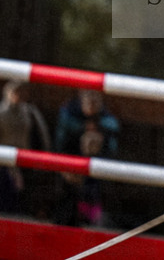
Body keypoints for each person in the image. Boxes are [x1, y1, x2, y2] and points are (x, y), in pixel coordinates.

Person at [0, 80, 51, 214]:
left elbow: (43, 135)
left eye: (22, 92)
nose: (19, 95)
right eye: (16, 92)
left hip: (23, 162)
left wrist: (43, 158)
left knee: (18, 203)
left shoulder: (30, 112)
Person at [53, 90, 120, 226]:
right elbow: (61, 145)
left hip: (97, 174)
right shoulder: (69, 117)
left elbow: (112, 149)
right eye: (89, 102)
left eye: (95, 102)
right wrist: (64, 168)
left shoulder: (107, 122)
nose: (92, 106)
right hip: (71, 168)